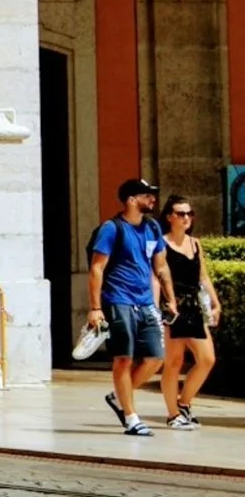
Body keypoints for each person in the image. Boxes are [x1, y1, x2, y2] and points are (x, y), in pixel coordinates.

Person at [91, 178, 172, 435]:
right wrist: (95, 308)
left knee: (155, 358)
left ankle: (118, 397)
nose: (152, 199)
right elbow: (97, 268)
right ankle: (131, 416)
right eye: (146, 195)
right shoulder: (111, 229)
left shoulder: (153, 228)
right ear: (131, 200)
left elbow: (160, 266)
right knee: (124, 359)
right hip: (118, 300)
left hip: (145, 302)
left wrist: (170, 297)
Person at [161, 194, 219, 430]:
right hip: (172, 307)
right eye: (181, 213)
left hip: (194, 305)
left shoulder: (195, 243)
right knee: (174, 362)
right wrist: (167, 303)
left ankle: (184, 403)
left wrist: (215, 303)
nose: (186, 218)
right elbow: (159, 277)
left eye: (189, 213)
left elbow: (202, 276)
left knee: (207, 359)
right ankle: (173, 414)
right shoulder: (161, 244)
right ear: (169, 217)